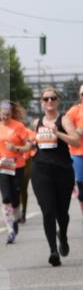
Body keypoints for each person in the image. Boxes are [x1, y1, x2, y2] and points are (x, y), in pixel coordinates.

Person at [27, 86, 80, 266]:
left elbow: (75, 140)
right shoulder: (36, 123)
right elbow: (33, 145)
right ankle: (53, 251)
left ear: (57, 101)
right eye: (46, 99)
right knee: (48, 211)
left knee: (62, 213)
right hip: (40, 169)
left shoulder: (63, 120)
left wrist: (57, 133)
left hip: (62, 170)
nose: (49, 101)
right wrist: (23, 147)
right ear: (41, 102)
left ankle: (62, 236)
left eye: (52, 98)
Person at [0, 101, 32, 244]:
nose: (5, 117)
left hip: (17, 165)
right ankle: (10, 229)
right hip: (0, 165)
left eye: (7, 115)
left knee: (15, 197)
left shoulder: (18, 126)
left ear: (11, 114)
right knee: (6, 196)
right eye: (2, 114)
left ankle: (16, 216)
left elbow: (29, 146)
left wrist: (16, 148)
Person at [65, 83, 83, 225]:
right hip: (78, 153)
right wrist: (77, 132)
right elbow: (64, 128)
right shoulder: (74, 111)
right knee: (82, 189)